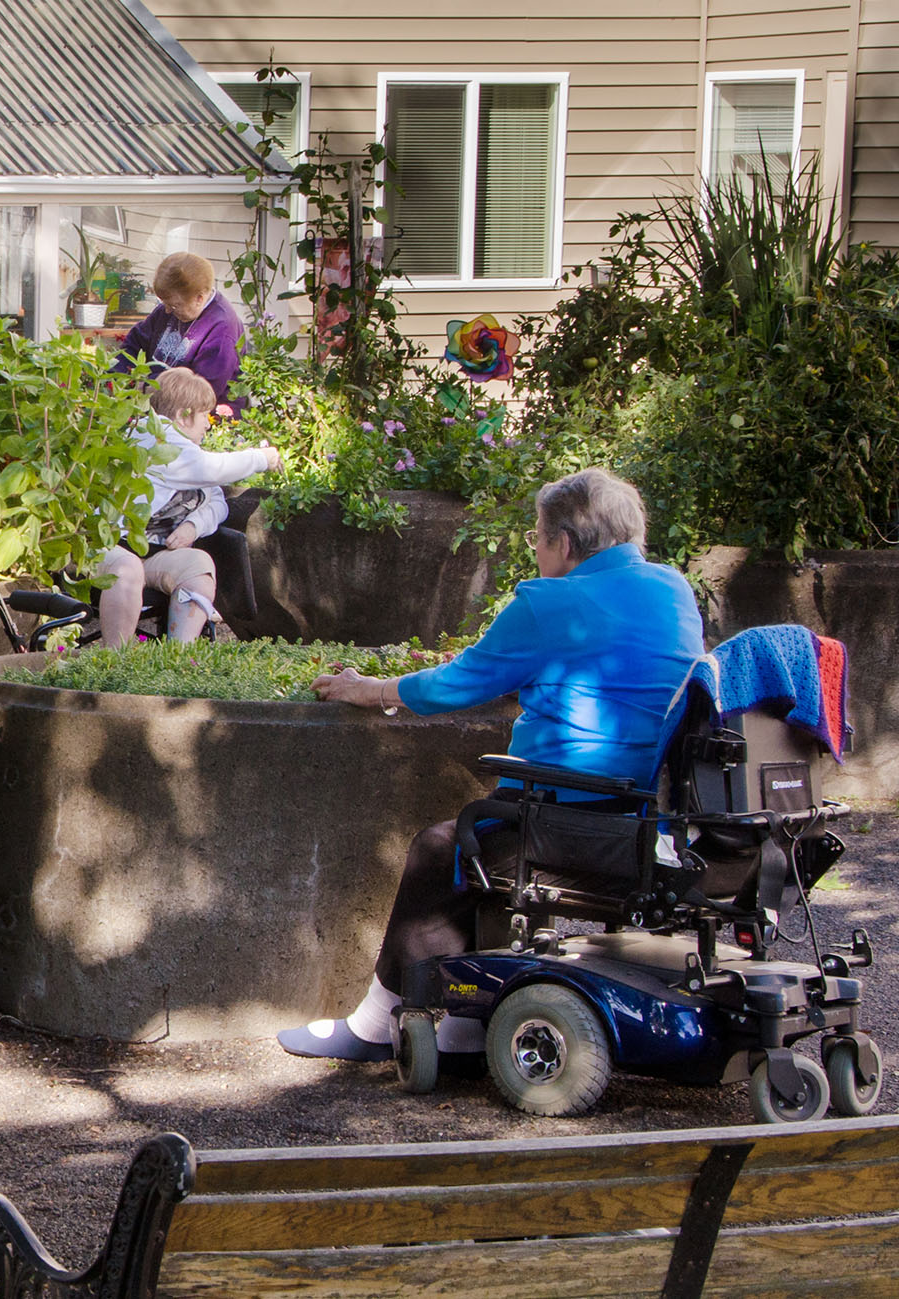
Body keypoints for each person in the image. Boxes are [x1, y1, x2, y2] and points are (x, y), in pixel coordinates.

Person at [277, 468, 705, 1062]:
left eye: (536, 537)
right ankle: (464, 1027)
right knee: (484, 843)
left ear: (566, 543)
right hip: (641, 815)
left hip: (569, 809)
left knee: (446, 849)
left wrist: (369, 688)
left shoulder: (549, 603)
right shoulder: (673, 590)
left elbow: (458, 683)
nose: (534, 549)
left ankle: (375, 1025)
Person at [98, 368, 279, 646]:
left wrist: (193, 525)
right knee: (128, 567)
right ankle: (112, 661)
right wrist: (262, 458)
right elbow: (216, 469)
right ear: (183, 416)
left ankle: (178, 657)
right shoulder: (155, 441)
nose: (208, 424)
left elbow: (217, 501)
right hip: (109, 548)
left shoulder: (185, 450)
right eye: (203, 414)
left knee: (198, 565)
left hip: (153, 553)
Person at [110, 251, 248, 417]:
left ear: (199, 297)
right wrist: (119, 378)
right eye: (165, 303)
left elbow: (201, 392)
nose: (167, 310)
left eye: (174, 305)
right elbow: (134, 344)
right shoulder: (168, 311)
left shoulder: (223, 328)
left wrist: (148, 386)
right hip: (157, 408)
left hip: (198, 420)